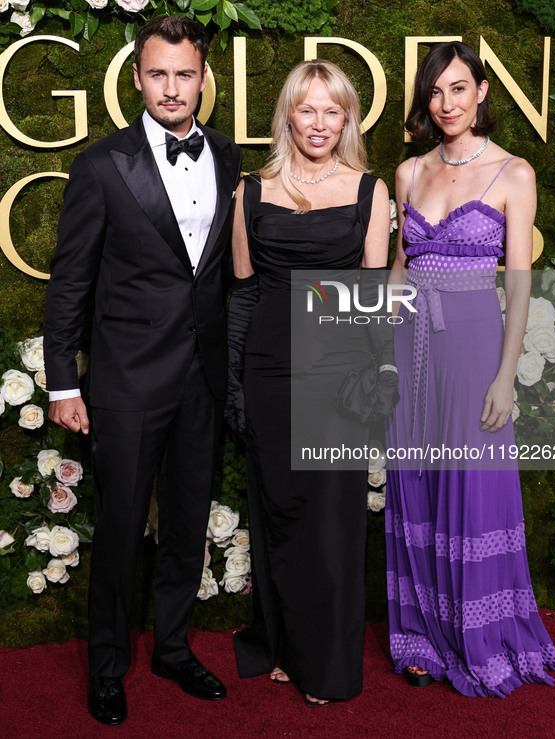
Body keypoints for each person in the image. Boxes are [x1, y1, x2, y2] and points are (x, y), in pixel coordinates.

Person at [43, 16, 242, 725]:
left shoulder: (224, 154)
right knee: (123, 524)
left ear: (201, 78)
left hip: (201, 375)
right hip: (126, 377)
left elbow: (223, 275)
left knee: (187, 521)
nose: (171, 88)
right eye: (157, 73)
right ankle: (106, 664)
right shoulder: (101, 166)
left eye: (184, 74)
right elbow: (69, 283)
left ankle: (174, 646)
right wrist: (64, 381)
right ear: (136, 77)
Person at [385, 41, 555, 696]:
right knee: (415, 484)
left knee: (471, 488)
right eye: (435, 92)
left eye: (458, 88)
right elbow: (400, 268)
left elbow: (518, 285)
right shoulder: (407, 174)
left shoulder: (513, 173)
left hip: (472, 349)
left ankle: (479, 635)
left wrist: (503, 374)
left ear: (482, 90)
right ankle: (419, 637)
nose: (446, 103)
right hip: (411, 349)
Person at [226, 60, 394, 706]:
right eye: (307, 109)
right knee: (279, 513)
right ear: (288, 116)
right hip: (269, 369)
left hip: (339, 377)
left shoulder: (368, 191)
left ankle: (324, 666)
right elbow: (241, 295)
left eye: (332, 110)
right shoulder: (252, 190)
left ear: (346, 117)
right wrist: (238, 383)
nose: (318, 123)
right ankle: (282, 646)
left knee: (331, 523)